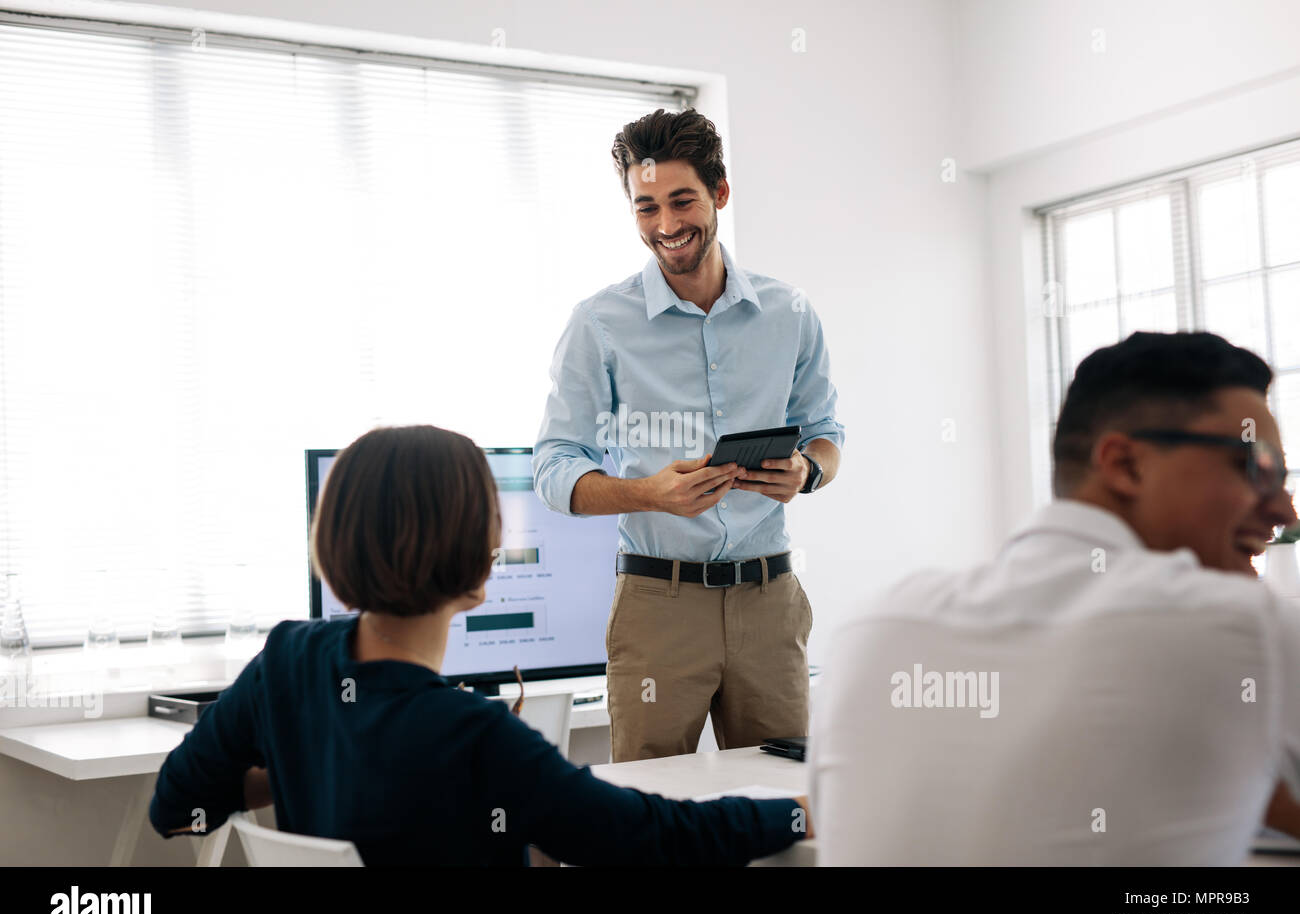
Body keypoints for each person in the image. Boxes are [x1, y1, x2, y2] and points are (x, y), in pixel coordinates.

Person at [148, 425, 811, 866]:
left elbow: (175, 808)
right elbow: (645, 839)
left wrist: (315, 756)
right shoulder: (473, 736)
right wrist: (793, 815)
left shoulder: (288, 661)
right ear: (482, 553)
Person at [812, 331, 1300, 865]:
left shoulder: (873, 628)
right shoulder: (1250, 627)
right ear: (1125, 465)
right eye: (1257, 467)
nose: (1284, 513)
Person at [533, 107, 845, 762]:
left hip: (770, 603)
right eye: (646, 208)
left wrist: (807, 472)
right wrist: (649, 493)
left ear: (720, 193)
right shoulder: (599, 323)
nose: (667, 226)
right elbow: (556, 470)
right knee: (647, 810)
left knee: (789, 801)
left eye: (682, 201)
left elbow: (825, 433)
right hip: (657, 606)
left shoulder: (788, 312)